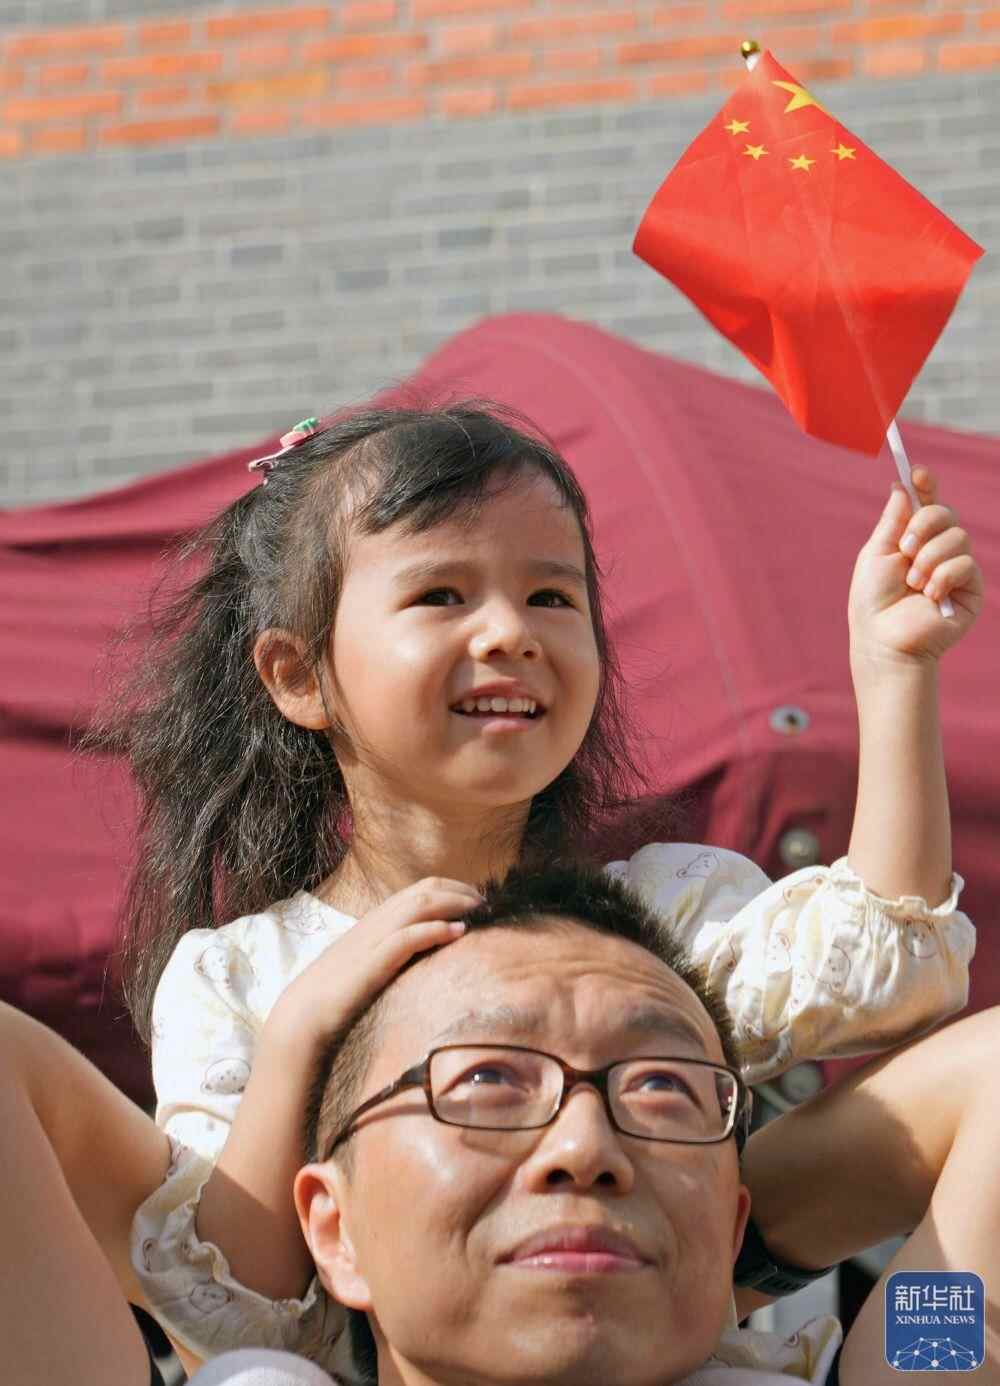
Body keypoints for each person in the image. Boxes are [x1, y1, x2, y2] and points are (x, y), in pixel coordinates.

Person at [0, 403, 983, 1382]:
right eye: (440, 594)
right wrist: (302, 1034)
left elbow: (884, 963)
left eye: (551, 596)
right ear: (299, 675)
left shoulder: (664, 916)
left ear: (732, 1221)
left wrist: (894, 671)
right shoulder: (245, 979)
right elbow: (230, 1313)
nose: (510, 632)